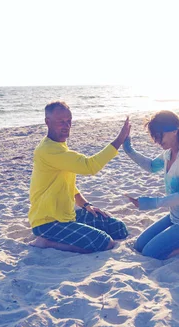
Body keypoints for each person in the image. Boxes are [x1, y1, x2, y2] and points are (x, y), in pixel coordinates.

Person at [28, 101, 131, 253]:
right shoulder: (48, 150)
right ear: (47, 122)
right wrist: (119, 140)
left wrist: (86, 205)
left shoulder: (60, 146)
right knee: (104, 243)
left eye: (69, 121)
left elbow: (67, 183)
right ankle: (47, 243)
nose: (66, 126)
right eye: (61, 122)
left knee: (118, 229)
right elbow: (90, 166)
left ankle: (68, 234)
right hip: (48, 222)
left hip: (68, 214)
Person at [123, 110, 179, 260]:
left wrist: (149, 203)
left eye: (159, 136)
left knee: (150, 253)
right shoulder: (170, 152)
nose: (157, 141)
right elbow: (152, 166)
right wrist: (129, 149)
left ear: (173, 131)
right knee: (139, 245)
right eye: (155, 137)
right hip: (176, 216)